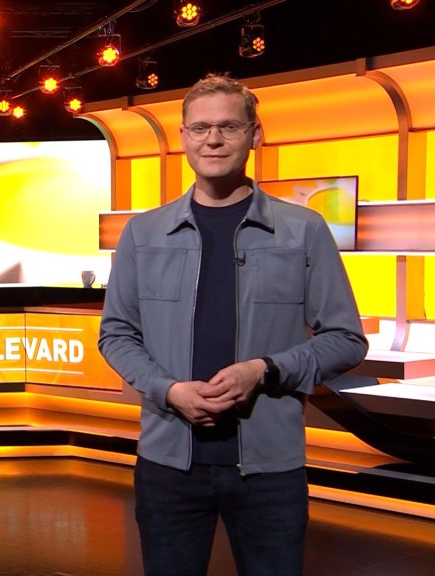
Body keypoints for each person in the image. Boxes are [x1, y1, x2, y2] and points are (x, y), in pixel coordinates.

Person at [97, 74, 368, 576]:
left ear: (255, 135)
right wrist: (168, 390)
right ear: (183, 138)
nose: (213, 140)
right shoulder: (143, 232)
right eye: (200, 128)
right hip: (168, 467)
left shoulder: (303, 229)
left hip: (269, 470)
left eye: (228, 127)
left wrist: (264, 370)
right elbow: (116, 334)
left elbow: (346, 339)